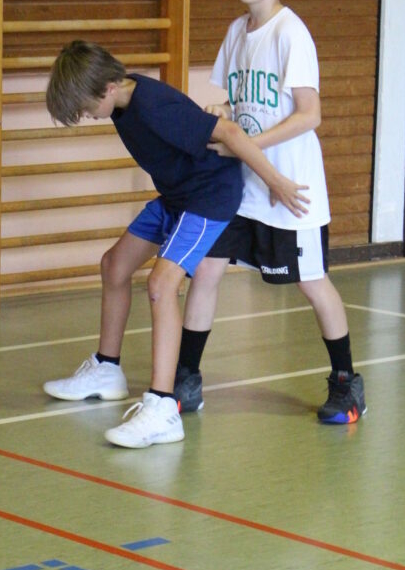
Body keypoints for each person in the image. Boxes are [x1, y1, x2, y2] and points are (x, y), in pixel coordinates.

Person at [42, 39, 310, 448]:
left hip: (208, 198)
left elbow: (229, 131)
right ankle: (107, 369)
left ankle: (163, 407)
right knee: (114, 265)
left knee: (161, 284)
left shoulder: (153, 106)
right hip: (178, 196)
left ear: (108, 87)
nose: (85, 115)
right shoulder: (123, 100)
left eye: (85, 106)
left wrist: (276, 181)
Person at [176, 0, 366, 424]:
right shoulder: (237, 33)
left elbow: (310, 114)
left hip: (289, 185)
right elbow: (236, 101)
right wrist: (222, 117)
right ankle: (186, 378)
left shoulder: (291, 34)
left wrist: (247, 146)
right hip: (243, 186)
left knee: (312, 282)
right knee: (207, 269)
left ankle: (346, 382)